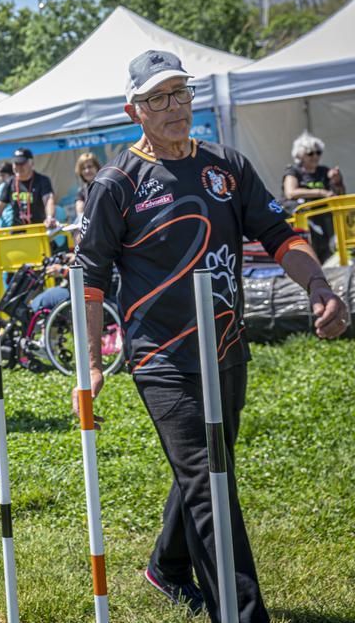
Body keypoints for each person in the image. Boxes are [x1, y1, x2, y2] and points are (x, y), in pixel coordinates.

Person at [75, 50, 349, 621]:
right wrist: (91, 360)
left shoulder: (226, 165)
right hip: (160, 358)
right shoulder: (116, 183)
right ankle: (244, 613)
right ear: (135, 110)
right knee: (209, 482)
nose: (172, 107)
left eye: (179, 92)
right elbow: (91, 277)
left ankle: (168, 567)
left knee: (209, 464)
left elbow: (279, 233)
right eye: (157, 98)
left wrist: (318, 285)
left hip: (227, 345)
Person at [282, 132, 346, 264]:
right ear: (300, 155)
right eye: (310, 153)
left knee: (331, 253)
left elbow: (339, 195)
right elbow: (290, 192)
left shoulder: (324, 170)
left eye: (318, 152)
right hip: (304, 224)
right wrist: (321, 192)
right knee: (311, 257)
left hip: (326, 222)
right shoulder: (293, 171)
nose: (315, 156)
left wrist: (337, 181)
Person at [0, 148, 56, 235]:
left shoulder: (42, 180)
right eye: (16, 164)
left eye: (22, 163)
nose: (19, 167)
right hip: (18, 232)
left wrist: (50, 217)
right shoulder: (10, 183)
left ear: (31, 163)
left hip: (39, 230)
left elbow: (48, 200)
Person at [74, 152, 101, 218]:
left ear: (97, 167)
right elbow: (80, 210)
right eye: (83, 168)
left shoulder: (105, 185)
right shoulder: (82, 191)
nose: (87, 171)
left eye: (90, 166)